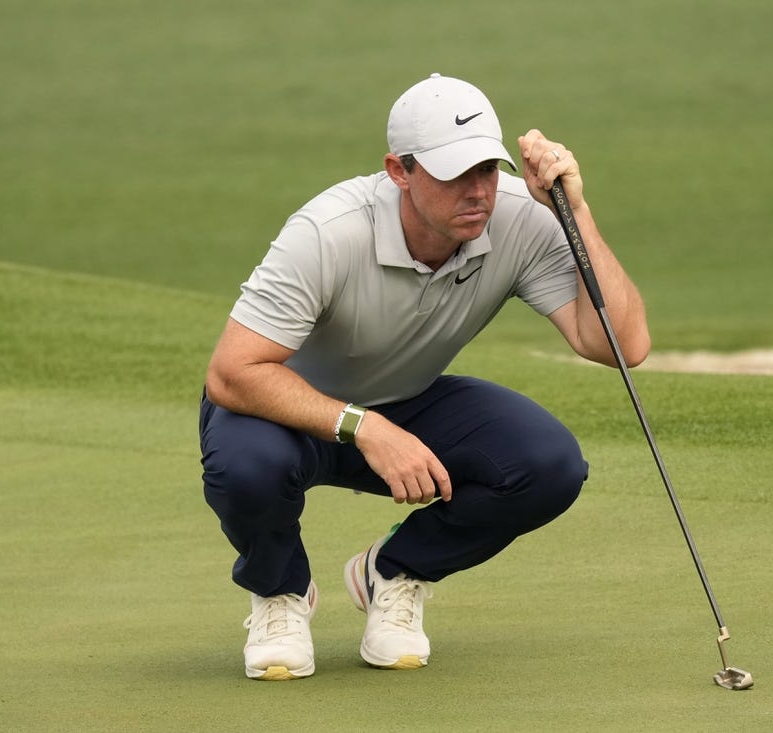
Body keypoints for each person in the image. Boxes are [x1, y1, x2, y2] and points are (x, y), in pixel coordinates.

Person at [199, 73, 650, 680]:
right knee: (246, 468)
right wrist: (365, 428)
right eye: (453, 173)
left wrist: (576, 212)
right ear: (398, 171)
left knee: (548, 465)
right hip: (281, 413)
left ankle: (395, 571)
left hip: (408, 403)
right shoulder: (329, 232)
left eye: (487, 169)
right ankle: (280, 592)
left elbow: (621, 345)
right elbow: (232, 374)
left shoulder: (520, 217)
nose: (478, 192)